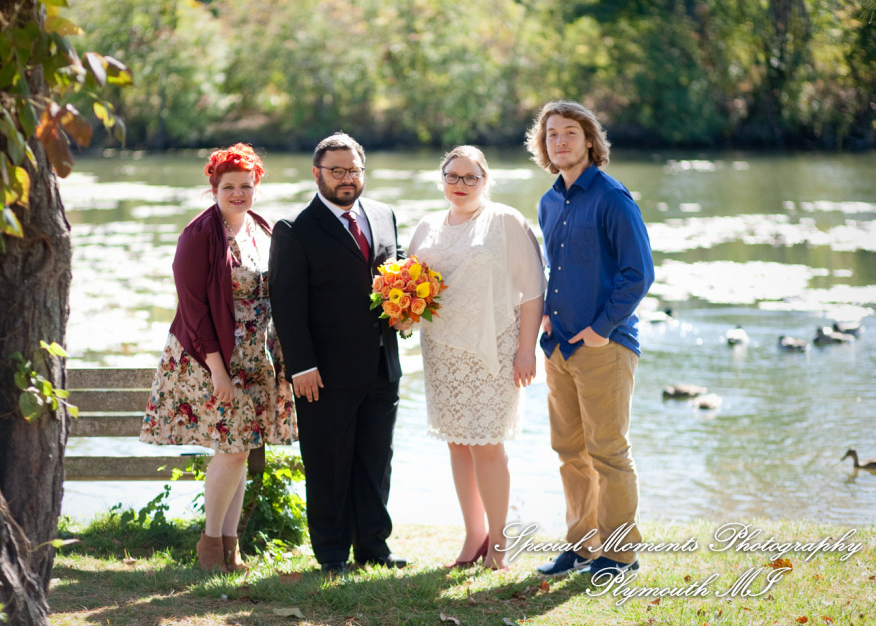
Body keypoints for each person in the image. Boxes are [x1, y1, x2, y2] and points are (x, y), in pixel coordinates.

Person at [139, 143, 296, 573]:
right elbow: (194, 308)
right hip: (208, 356)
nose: (239, 193)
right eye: (230, 186)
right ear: (214, 188)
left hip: (252, 356)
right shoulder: (199, 234)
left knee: (240, 448)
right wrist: (217, 371)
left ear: (256, 187)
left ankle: (231, 545)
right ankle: (210, 543)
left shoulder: (260, 228)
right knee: (230, 449)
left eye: (246, 185)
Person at [525, 101, 655, 578]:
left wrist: (601, 328)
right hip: (558, 347)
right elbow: (555, 270)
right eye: (552, 134)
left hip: (605, 346)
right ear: (545, 145)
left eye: (570, 133)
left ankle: (620, 555)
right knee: (569, 452)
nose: (561, 141)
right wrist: (543, 315)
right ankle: (582, 546)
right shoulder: (549, 201)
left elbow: (638, 273)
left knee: (609, 453)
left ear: (589, 141)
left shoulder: (612, 197)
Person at [269, 132, 406, 574]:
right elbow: (287, 305)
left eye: (354, 170)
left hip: (383, 366)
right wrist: (302, 366)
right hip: (324, 373)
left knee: (375, 462)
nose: (347, 179)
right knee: (328, 465)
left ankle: (374, 549)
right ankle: (331, 555)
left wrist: (406, 311)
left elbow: (398, 276)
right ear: (317, 174)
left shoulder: (384, 215)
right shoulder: (294, 228)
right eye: (337, 171)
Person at [407, 146, 546, 570]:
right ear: (442, 178)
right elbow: (408, 282)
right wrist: (402, 312)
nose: (461, 185)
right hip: (443, 352)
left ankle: (500, 544)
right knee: (457, 444)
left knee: (487, 443)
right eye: (453, 176)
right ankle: (473, 537)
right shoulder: (428, 225)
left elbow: (533, 288)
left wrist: (526, 349)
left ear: (486, 181)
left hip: (495, 349)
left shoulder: (503, 220)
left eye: (471, 178)